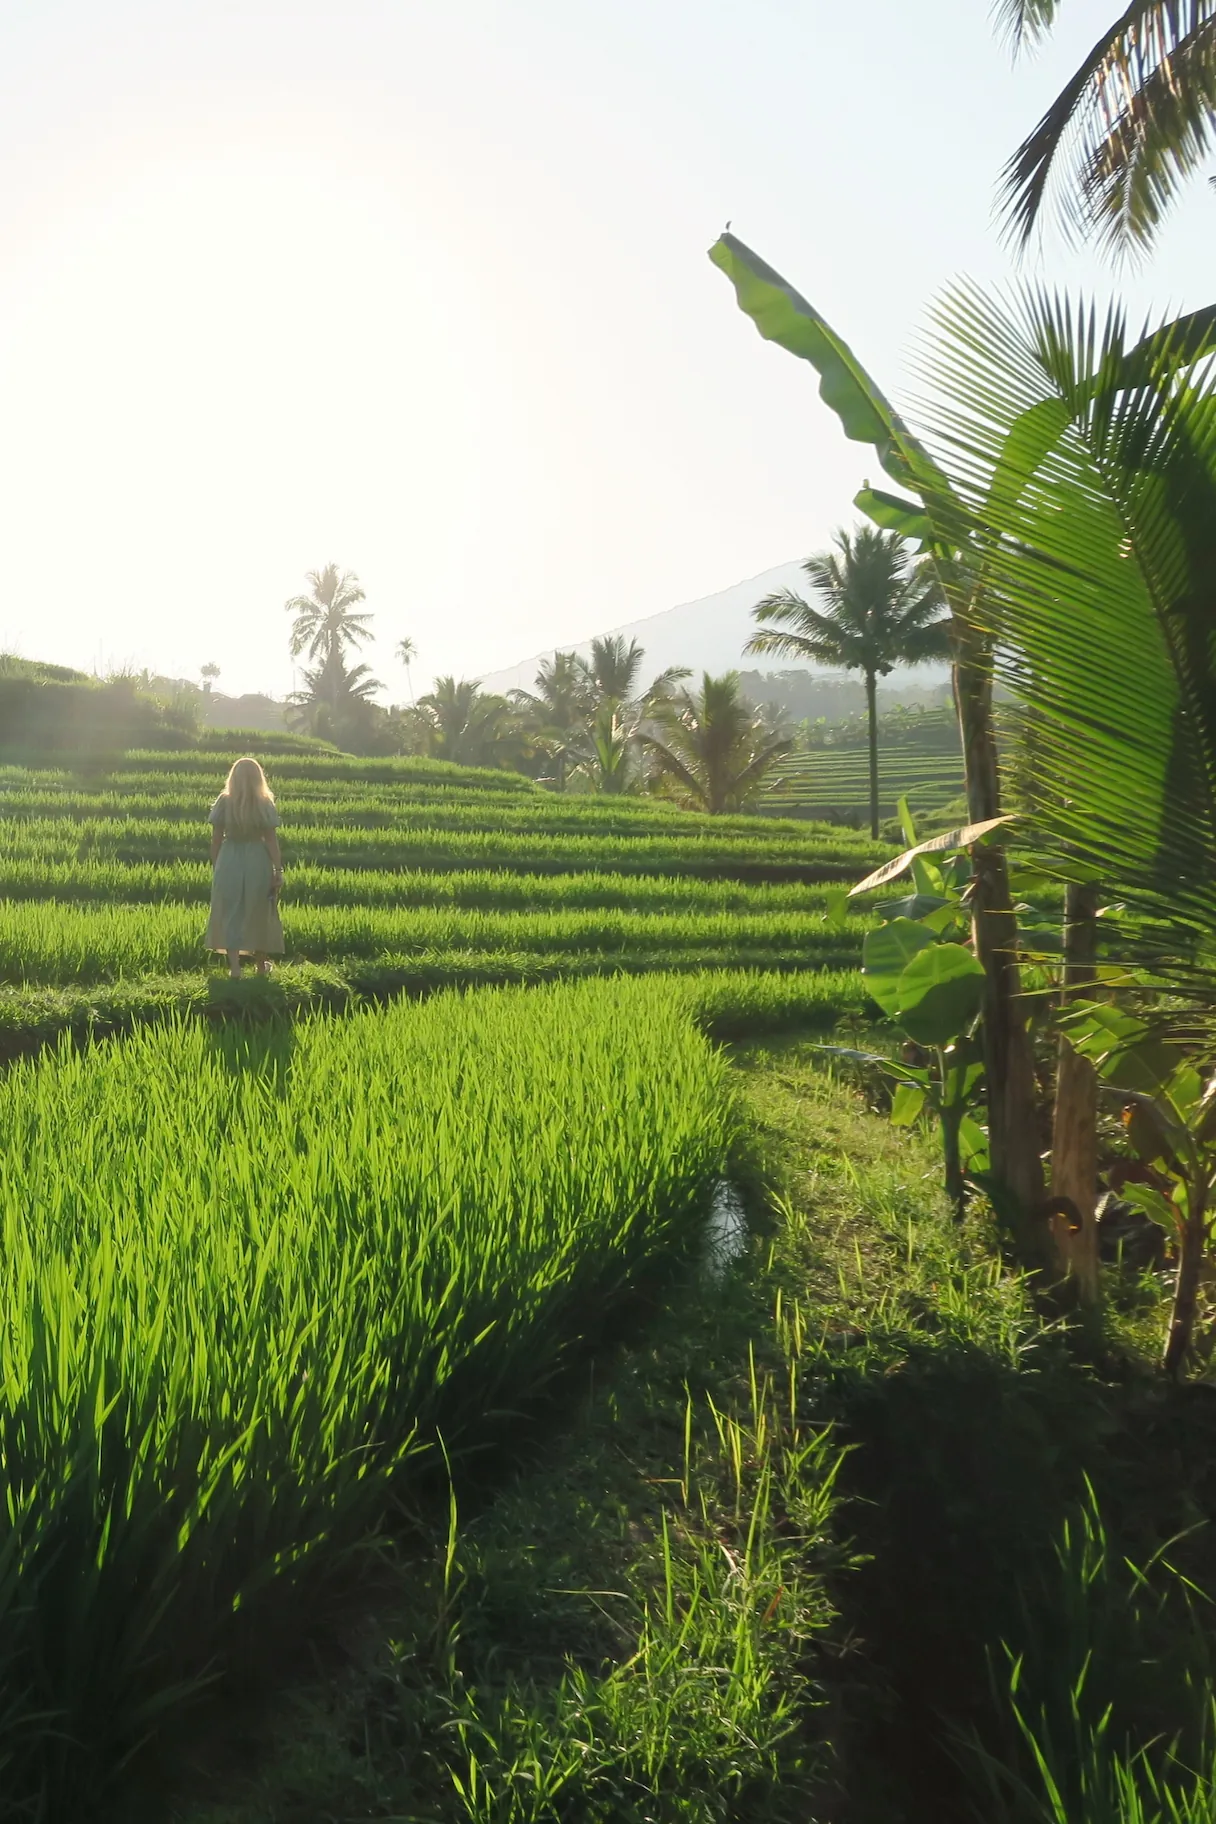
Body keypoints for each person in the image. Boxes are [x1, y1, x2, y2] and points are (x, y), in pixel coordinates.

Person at [205, 756, 285, 978]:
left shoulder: (224, 800)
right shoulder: (264, 802)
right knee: (258, 910)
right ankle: (261, 966)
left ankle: (235, 968)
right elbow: (271, 840)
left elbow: (216, 839)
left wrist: (218, 865)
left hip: (229, 858)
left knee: (230, 911)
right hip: (256, 859)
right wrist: (278, 870)